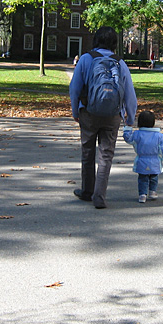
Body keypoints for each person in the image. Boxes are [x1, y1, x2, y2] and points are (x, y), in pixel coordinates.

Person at [69, 26, 138, 209]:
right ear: (114, 43)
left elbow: (74, 88)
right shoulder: (120, 63)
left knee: (87, 152)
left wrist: (76, 111)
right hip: (112, 115)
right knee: (106, 155)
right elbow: (130, 93)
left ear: (96, 40)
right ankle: (99, 196)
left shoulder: (86, 59)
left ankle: (87, 192)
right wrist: (130, 117)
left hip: (88, 113)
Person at [123, 110, 163, 203]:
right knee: (154, 177)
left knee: (142, 178)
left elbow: (128, 139)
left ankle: (142, 195)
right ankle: (152, 191)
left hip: (142, 159)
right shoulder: (160, 136)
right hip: (155, 160)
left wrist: (128, 128)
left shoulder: (137, 134)